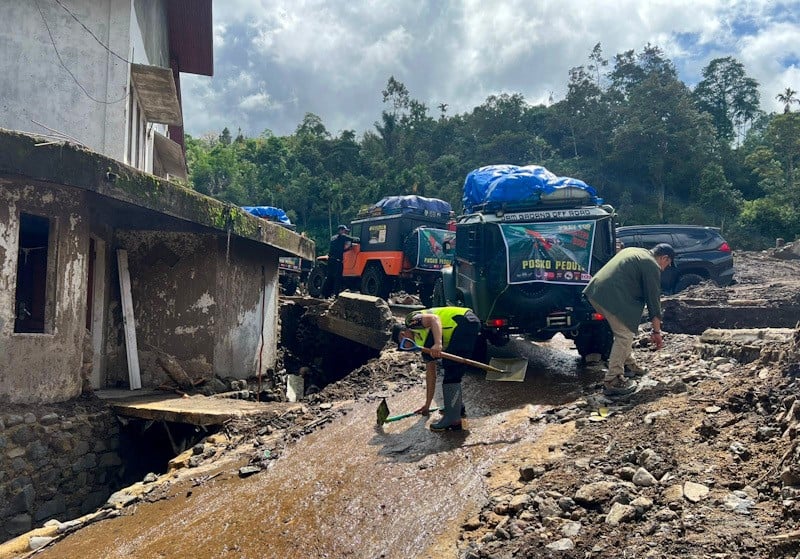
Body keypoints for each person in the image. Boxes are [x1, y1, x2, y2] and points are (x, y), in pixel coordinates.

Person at [582, 243, 675, 397]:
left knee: (626, 330)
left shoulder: (634, 251)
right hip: (610, 297)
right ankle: (613, 379)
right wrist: (656, 331)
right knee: (624, 335)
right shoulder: (651, 264)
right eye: (668, 264)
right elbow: (653, 300)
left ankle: (629, 365)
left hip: (596, 291)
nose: (665, 268)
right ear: (664, 257)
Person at [391, 307, 481, 431]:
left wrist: (438, 343)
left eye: (404, 344)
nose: (408, 348)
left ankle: (453, 420)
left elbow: (434, 319)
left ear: (403, 335)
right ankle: (456, 408)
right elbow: (431, 375)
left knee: (452, 369)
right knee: (452, 369)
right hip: (463, 325)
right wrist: (427, 405)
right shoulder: (422, 344)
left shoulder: (411, 320)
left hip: (463, 321)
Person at [328, 224, 359, 296]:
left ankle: (325, 294)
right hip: (337, 260)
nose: (345, 232)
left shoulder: (333, 238)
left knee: (329, 277)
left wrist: (347, 249)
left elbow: (339, 249)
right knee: (338, 278)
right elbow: (354, 239)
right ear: (340, 230)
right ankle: (336, 294)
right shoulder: (342, 236)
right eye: (345, 231)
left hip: (331, 259)